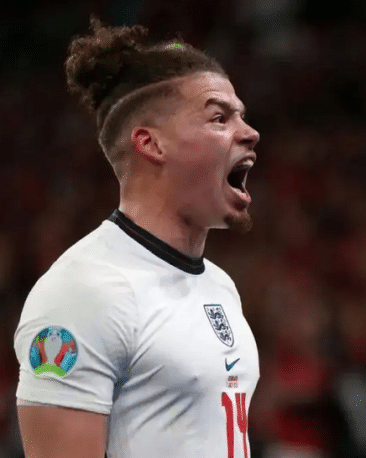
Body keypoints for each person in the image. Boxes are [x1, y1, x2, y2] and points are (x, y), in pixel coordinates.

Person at [13, 18, 260, 458]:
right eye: (219, 117)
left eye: (241, 115)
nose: (249, 132)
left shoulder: (220, 286)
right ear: (151, 144)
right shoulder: (83, 292)